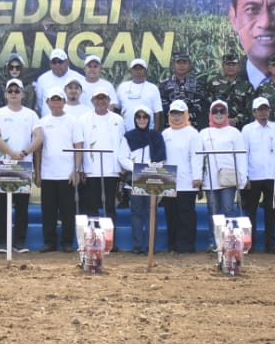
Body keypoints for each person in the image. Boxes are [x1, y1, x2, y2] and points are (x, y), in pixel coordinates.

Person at [0, 77, 42, 254]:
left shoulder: (31, 114)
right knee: (2, 204)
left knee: (21, 206)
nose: (13, 94)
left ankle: (20, 241)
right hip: (3, 164)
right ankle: (3, 241)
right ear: (5, 94)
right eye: (10, 91)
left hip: (23, 165)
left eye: (16, 91)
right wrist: (11, 153)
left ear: (22, 94)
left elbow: (39, 136)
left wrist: (25, 153)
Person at [78, 86, 129, 249]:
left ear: (109, 101)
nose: (101, 102)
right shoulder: (84, 119)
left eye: (104, 99)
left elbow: (122, 144)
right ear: (92, 101)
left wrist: (121, 168)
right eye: (97, 99)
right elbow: (82, 144)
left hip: (112, 170)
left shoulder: (118, 119)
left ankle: (109, 242)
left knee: (109, 207)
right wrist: (82, 168)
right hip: (91, 170)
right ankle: (93, 241)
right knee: (91, 206)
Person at [38, 89, 83, 252]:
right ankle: (49, 242)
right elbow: (38, 148)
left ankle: (67, 242)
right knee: (48, 210)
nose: (56, 103)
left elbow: (78, 146)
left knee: (67, 210)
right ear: (47, 103)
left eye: (59, 100)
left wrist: (76, 170)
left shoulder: (73, 121)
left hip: (67, 174)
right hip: (48, 173)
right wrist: (38, 173)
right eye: (53, 100)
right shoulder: (42, 122)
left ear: (64, 102)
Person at [240, 97, 275, 253]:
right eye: (260, 110)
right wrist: (244, 177)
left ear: (269, 111)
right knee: (250, 212)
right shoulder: (247, 130)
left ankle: (270, 244)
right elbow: (243, 155)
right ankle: (249, 243)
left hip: (272, 177)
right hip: (253, 177)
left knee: (271, 213)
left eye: (265, 109)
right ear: (254, 112)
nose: (263, 113)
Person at [198, 100, 247, 236]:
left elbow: (241, 157)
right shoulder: (203, 133)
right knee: (213, 211)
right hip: (210, 179)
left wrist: (242, 178)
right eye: (215, 111)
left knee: (228, 210)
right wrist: (199, 178)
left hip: (228, 178)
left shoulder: (235, 132)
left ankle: (229, 241)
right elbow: (199, 159)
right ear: (210, 114)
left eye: (222, 111)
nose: (218, 114)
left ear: (227, 114)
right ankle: (213, 242)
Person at [160, 99, 202, 253]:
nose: (176, 117)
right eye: (173, 113)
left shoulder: (193, 133)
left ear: (186, 115)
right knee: (171, 215)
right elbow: (161, 157)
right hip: (169, 180)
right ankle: (173, 245)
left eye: (179, 114)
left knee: (186, 215)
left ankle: (187, 246)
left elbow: (196, 157)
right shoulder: (165, 133)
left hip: (187, 181)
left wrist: (197, 177)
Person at [123, 104, 166, 254]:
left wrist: (150, 168)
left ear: (150, 119)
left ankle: (150, 245)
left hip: (152, 177)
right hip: (134, 177)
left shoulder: (156, 136)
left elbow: (161, 157)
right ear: (135, 119)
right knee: (136, 212)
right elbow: (122, 157)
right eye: (139, 117)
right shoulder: (128, 136)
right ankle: (137, 245)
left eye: (145, 117)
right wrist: (136, 168)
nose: (142, 120)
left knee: (151, 211)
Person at [207, 52, 255, 130]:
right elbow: (208, 106)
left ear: (238, 66)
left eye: (234, 64)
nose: (231, 67)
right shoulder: (213, 84)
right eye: (228, 64)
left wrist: (237, 119)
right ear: (223, 66)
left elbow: (250, 109)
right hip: (217, 127)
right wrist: (223, 120)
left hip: (240, 127)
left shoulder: (246, 86)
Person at [158, 51, 206, 128]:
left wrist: (185, 116)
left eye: (184, 63)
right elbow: (163, 105)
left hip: (191, 126)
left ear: (189, 65)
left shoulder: (197, 84)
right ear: (173, 65)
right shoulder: (164, 85)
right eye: (178, 63)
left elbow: (200, 105)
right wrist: (176, 116)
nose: (181, 65)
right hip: (170, 126)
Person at [117, 58, 163, 129]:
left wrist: (155, 133)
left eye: (141, 69)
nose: (138, 71)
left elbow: (157, 113)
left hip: (147, 132)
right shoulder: (122, 87)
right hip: (125, 132)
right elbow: (116, 109)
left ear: (146, 71)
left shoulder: (153, 88)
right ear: (130, 71)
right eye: (135, 69)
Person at [35, 49, 81, 118]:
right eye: (54, 62)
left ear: (67, 62)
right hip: (47, 124)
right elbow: (39, 103)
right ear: (50, 64)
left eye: (60, 62)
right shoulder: (42, 79)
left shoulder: (78, 78)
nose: (57, 65)